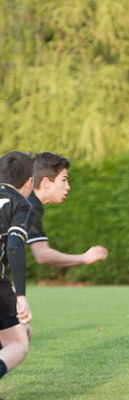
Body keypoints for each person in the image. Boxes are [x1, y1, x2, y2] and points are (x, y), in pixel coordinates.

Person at [27, 152, 108, 267]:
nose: (68, 186)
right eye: (64, 180)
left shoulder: (21, 198)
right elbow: (43, 255)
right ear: (46, 182)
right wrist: (83, 258)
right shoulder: (29, 205)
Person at [0, 151, 35, 382]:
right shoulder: (20, 203)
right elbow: (14, 246)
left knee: (22, 332)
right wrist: (20, 295)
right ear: (30, 181)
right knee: (19, 344)